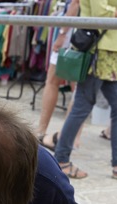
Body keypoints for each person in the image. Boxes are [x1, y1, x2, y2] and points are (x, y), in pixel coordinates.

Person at [54, 0, 117, 180]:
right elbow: (101, 13)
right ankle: (61, 159)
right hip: (99, 51)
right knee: (83, 105)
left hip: (111, 51)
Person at [36, 0, 81, 150]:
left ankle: (44, 131)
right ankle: (72, 137)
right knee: (77, 86)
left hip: (73, 32)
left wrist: (62, 33)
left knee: (55, 81)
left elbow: (76, 3)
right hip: (82, 31)